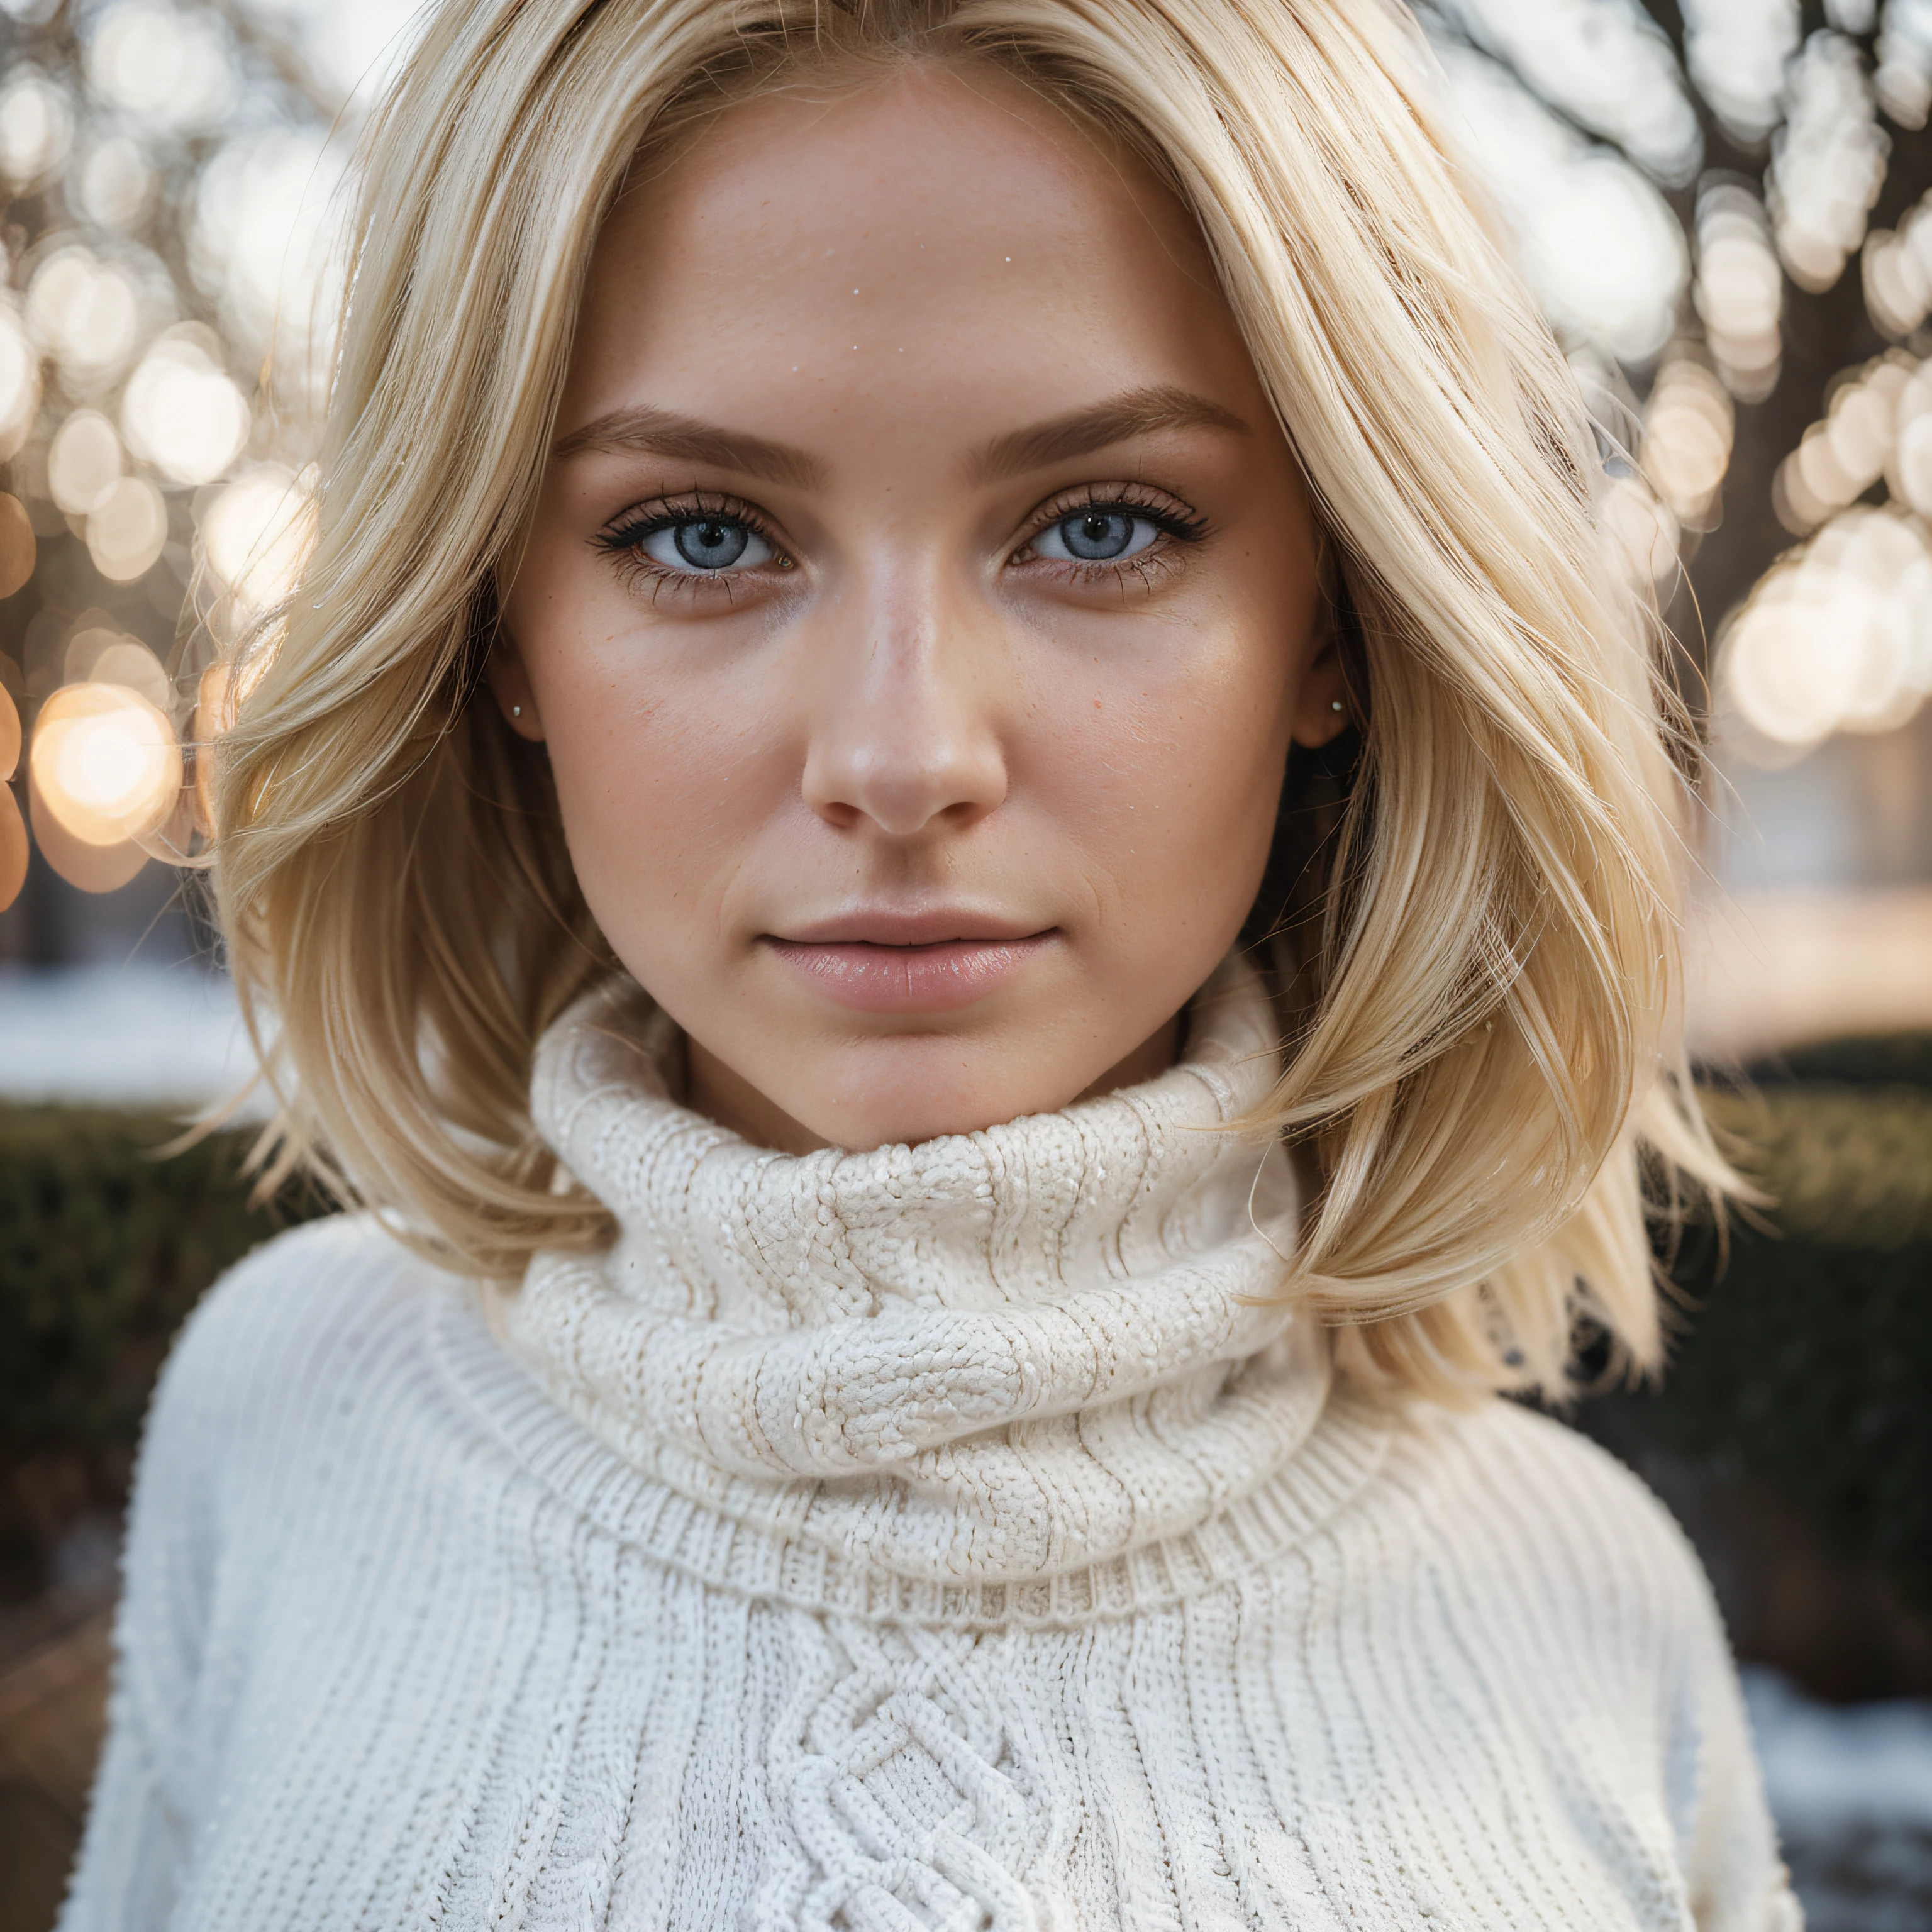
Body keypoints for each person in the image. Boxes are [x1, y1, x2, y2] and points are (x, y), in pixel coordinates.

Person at [61, 2, 1801, 1926]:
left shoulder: (1583, 1607)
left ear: (1344, 618)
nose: (900, 759)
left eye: (1104, 524)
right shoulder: (285, 1421)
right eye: (704, 533)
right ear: (491, 624)